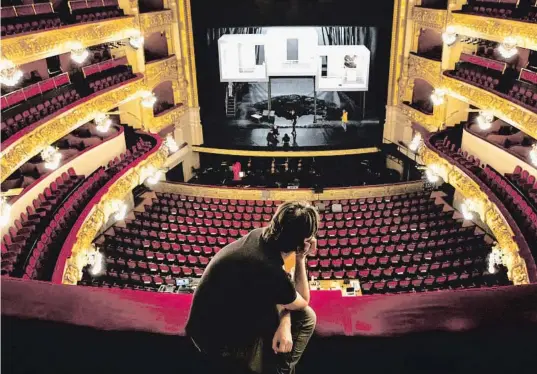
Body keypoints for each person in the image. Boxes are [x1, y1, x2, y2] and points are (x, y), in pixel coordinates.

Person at [186, 202, 319, 374]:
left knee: (297, 314)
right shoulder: (267, 267)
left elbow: (281, 293)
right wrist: (301, 257)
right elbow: (302, 300)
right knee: (308, 317)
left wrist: (285, 321)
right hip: (215, 341)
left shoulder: (261, 236)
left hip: (219, 317)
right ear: (301, 242)